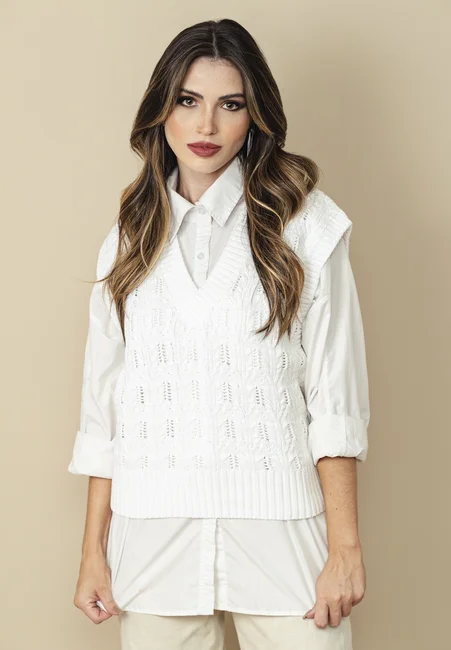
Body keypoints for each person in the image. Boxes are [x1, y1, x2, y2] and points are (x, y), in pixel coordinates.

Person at [68, 18, 370, 650]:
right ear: (162, 109)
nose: (205, 126)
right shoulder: (126, 242)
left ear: (254, 115)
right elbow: (106, 414)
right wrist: (93, 550)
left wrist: (344, 548)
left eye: (230, 105)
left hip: (283, 535)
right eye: (188, 100)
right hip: (152, 540)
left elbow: (335, 401)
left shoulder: (307, 226)